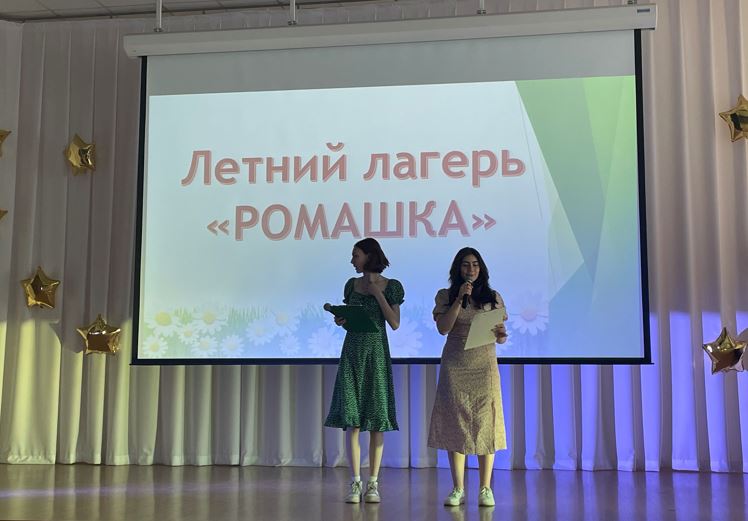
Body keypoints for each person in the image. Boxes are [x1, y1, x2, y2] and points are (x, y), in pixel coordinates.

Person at [324, 238, 404, 504]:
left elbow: (394, 323)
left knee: (376, 420)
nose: (352, 260)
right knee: (352, 421)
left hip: (376, 356)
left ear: (369, 256)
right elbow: (351, 319)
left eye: (356, 255)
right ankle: (356, 481)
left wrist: (377, 293)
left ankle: (373, 483)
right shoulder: (351, 285)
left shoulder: (391, 286)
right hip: (352, 354)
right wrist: (342, 319)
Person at [427, 247, 508, 507]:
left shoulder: (493, 297)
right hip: (455, 364)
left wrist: (501, 335)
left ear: (481, 268)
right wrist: (459, 298)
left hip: (484, 364)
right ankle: (458, 488)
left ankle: (485, 488)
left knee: (486, 422)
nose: (470, 269)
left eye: (475, 264)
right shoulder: (445, 295)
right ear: (457, 269)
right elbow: (443, 328)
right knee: (456, 422)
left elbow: (501, 337)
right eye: (465, 265)